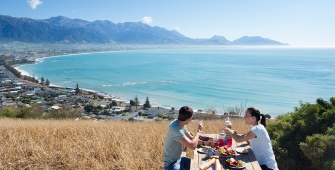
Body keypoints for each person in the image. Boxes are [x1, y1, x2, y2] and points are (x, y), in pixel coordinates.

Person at [163, 106, 212, 170]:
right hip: (171, 164)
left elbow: (191, 139)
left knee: (197, 164)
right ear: (188, 119)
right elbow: (193, 146)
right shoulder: (175, 129)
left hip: (178, 159)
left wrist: (205, 143)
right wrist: (198, 131)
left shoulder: (181, 124)